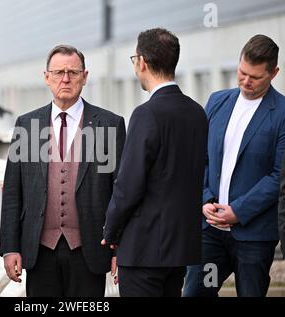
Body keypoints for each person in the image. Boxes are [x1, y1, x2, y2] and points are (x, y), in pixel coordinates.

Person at [0, 44, 126, 297]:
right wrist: (10, 247)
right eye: (58, 72)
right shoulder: (26, 124)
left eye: (73, 72)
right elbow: (13, 192)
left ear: (85, 77)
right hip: (39, 249)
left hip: (90, 249)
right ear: (47, 78)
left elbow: (120, 193)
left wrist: (119, 249)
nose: (65, 78)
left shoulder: (110, 125)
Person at [102, 28, 208, 297]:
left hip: (143, 249)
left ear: (142, 62)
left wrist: (110, 231)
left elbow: (128, 185)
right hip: (180, 249)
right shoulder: (197, 112)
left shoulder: (146, 114)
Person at [184, 34, 285, 297]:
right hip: (210, 230)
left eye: (255, 77)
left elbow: (279, 176)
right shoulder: (217, 101)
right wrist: (205, 198)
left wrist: (238, 211)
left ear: (273, 73)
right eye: (242, 73)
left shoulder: (284, 113)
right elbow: (200, 157)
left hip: (254, 236)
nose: (246, 81)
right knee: (194, 293)